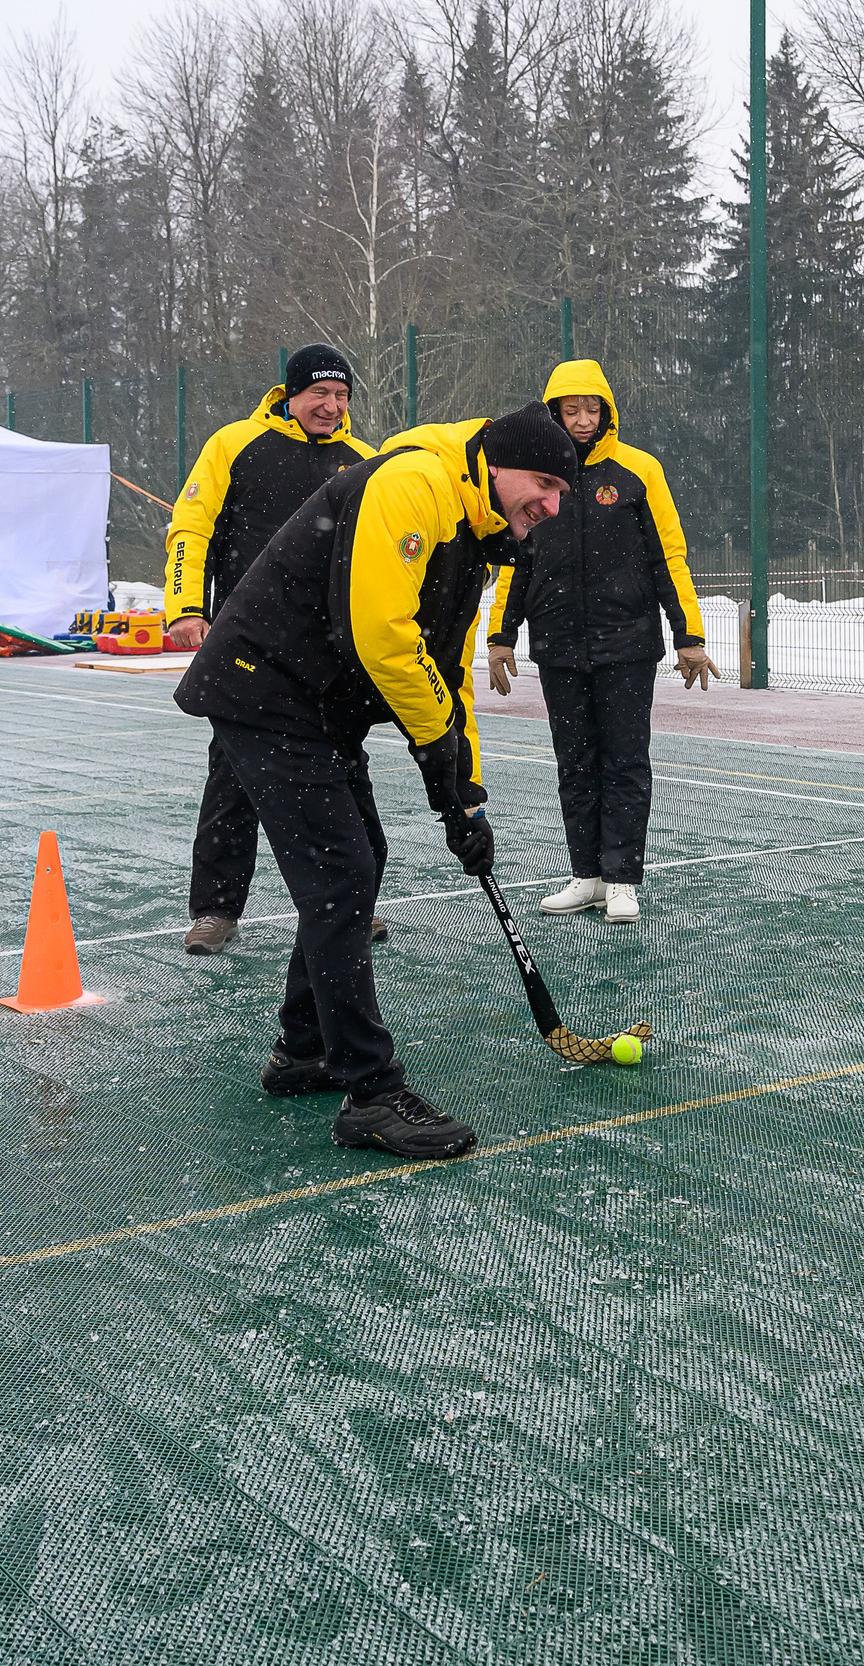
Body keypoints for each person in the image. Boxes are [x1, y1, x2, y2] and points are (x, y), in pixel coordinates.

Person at [172, 402, 579, 1160]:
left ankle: (305, 1049)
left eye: (563, 493)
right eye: (544, 482)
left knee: (361, 858)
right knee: (340, 872)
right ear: (495, 461)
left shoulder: (479, 529)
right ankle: (370, 1091)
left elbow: (448, 669)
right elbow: (382, 634)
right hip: (265, 689)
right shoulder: (416, 483)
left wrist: (466, 791)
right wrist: (437, 754)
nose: (551, 505)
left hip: (312, 705)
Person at [165, 345, 380, 957]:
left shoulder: (363, 460)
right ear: (289, 394)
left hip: (331, 658)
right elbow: (192, 525)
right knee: (233, 781)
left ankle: (352, 904)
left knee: (345, 775)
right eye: (320, 394)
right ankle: (215, 911)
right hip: (248, 651)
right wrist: (185, 607)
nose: (332, 407)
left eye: (342, 397)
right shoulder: (235, 443)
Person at [484, 360, 713, 925]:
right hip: (558, 647)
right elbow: (517, 555)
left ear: (607, 410)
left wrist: (690, 634)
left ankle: (622, 880)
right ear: (554, 412)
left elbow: (669, 555)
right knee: (574, 763)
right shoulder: (536, 473)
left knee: (626, 762)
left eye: (592, 408)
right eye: (571, 409)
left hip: (628, 646)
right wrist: (500, 636)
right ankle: (585, 876)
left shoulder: (638, 471)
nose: (583, 420)